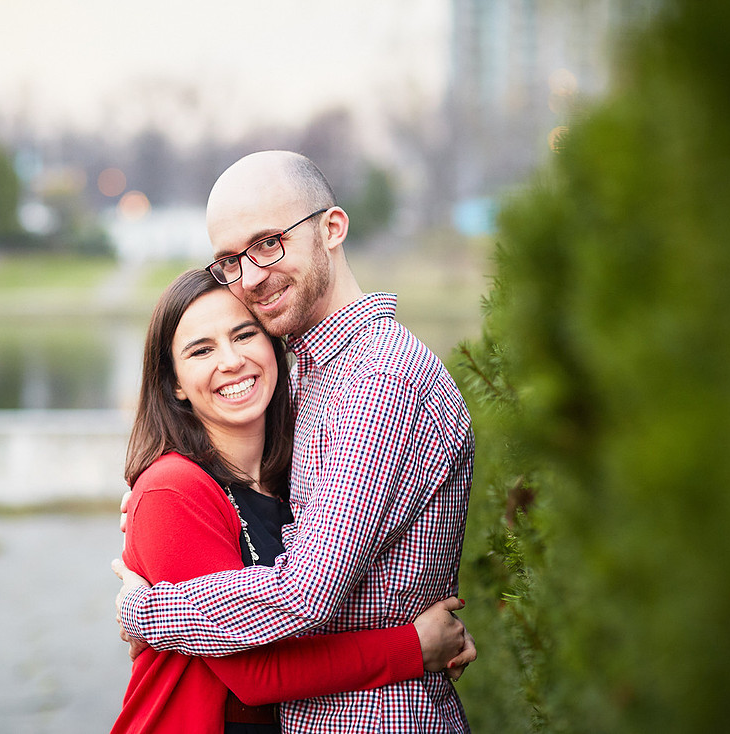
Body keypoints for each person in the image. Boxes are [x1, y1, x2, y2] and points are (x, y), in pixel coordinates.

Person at [115, 151, 476, 732]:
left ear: (332, 228)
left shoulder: (380, 381)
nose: (251, 275)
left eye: (268, 242)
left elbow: (303, 594)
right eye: (230, 259)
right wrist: (161, 506)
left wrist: (145, 609)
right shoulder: (310, 373)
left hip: (380, 719)